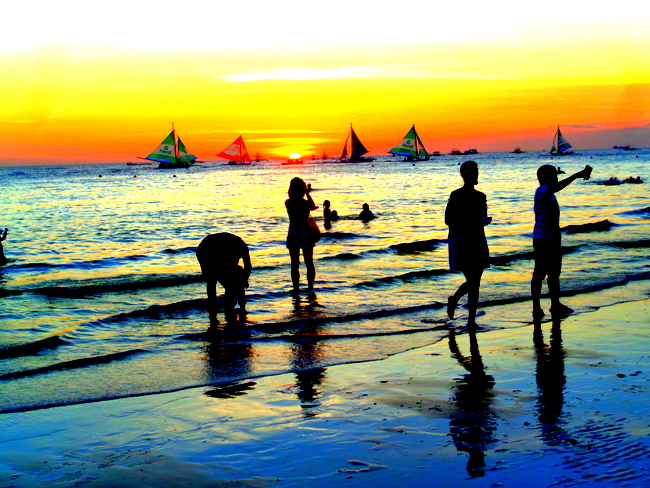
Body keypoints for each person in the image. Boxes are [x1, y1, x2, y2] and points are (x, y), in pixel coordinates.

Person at [531, 164, 592, 318]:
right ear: (545, 178)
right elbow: (557, 187)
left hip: (553, 238)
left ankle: (555, 304)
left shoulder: (550, 193)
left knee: (554, 273)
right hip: (542, 238)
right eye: (553, 176)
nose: (556, 178)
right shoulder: (541, 191)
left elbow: (556, 187)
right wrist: (576, 175)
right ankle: (536, 307)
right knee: (539, 273)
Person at [445, 161, 492, 329]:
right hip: (462, 240)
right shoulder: (456, 195)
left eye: (477, 172)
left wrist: (482, 222)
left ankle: (471, 320)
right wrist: (471, 221)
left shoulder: (481, 197)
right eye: (473, 172)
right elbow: (448, 220)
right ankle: (457, 302)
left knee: (475, 282)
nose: (476, 175)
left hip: (478, 239)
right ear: (465, 175)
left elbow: (482, 218)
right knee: (473, 281)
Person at [196, 232, 251, 317]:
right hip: (205, 249)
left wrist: (244, 280)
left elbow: (248, 266)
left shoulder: (242, 248)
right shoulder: (236, 249)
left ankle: (237, 307)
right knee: (211, 278)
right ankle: (213, 306)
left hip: (220, 247)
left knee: (232, 282)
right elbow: (246, 267)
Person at [286, 177, 318, 293]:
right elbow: (313, 206)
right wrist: (307, 193)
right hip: (306, 234)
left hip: (293, 234)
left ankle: (296, 288)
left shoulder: (288, 202)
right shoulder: (305, 203)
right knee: (309, 263)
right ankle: (310, 287)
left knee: (295, 264)